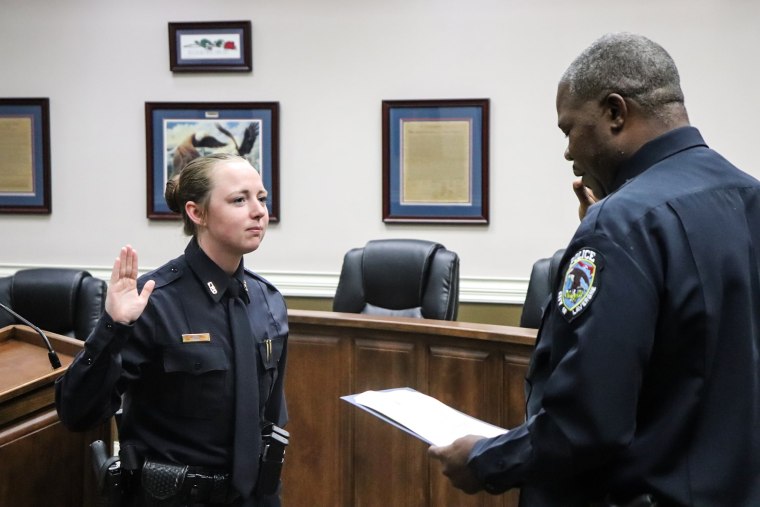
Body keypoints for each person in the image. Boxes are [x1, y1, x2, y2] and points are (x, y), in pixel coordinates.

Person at [429, 32, 760, 506]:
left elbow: (588, 422)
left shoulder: (623, 224)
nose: (567, 151)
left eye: (569, 129)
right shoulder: (749, 197)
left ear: (615, 112)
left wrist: (485, 460)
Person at [55, 153, 289, 507]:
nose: (258, 211)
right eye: (239, 199)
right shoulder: (152, 301)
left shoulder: (267, 301)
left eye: (262, 197)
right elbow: (77, 413)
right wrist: (112, 327)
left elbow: (271, 419)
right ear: (197, 213)